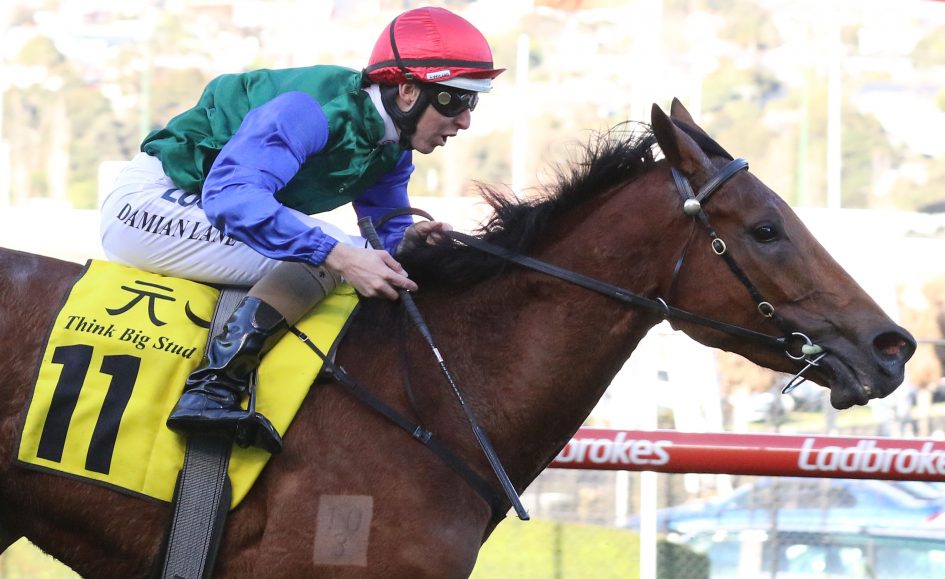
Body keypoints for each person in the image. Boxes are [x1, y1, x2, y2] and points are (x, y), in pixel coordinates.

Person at [99, 6, 504, 454]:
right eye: (454, 99)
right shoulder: (309, 110)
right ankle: (211, 389)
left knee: (348, 253)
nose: (465, 120)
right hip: (154, 204)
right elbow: (231, 197)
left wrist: (406, 242)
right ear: (408, 91)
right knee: (332, 253)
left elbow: (381, 238)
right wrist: (338, 255)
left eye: (472, 102)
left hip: (206, 207)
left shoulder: (392, 147)